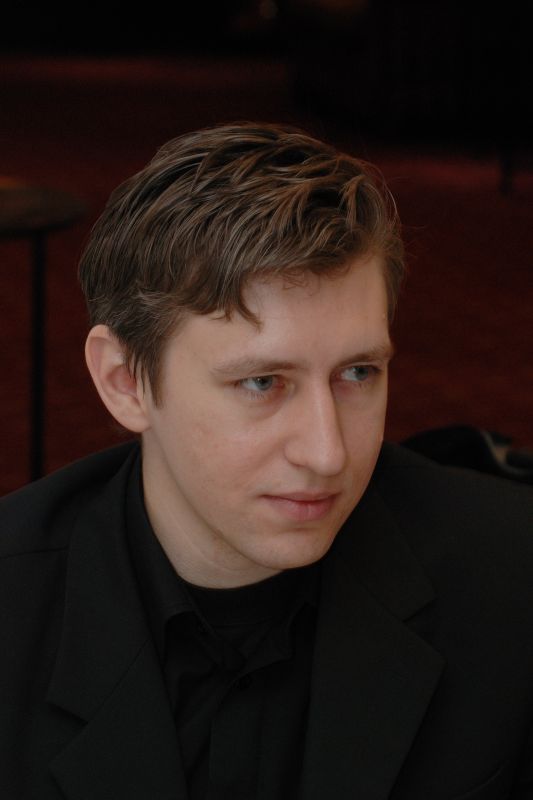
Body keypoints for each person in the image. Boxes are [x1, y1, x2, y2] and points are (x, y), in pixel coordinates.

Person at [1, 122, 533, 800]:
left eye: (358, 373)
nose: (327, 452)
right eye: (262, 382)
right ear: (124, 382)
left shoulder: (512, 574)